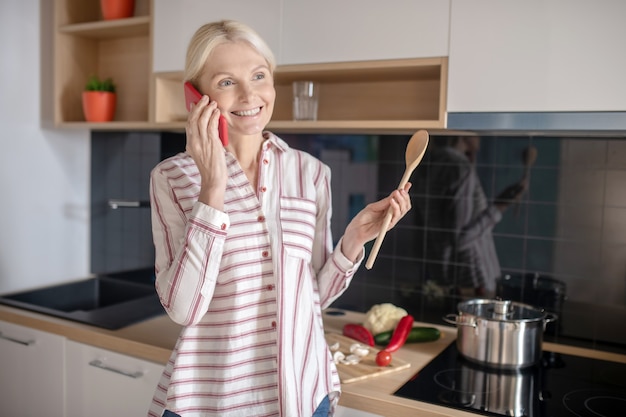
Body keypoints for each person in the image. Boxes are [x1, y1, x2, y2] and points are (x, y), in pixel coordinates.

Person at [147, 20, 412, 417]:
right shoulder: (172, 179)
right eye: (225, 82)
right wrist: (213, 188)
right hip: (212, 401)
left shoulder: (312, 173)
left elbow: (313, 298)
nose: (249, 94)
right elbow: (183, 309)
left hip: (303, 394)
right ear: (196, 96)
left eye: (258, 76)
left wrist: (354, 240)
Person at [414, 136, 526, 298]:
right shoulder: (460, 167)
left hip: (443, 274)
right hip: (473, 278)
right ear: (464, 134)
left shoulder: (425, 164)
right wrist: (499, 207)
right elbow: (460, 239)